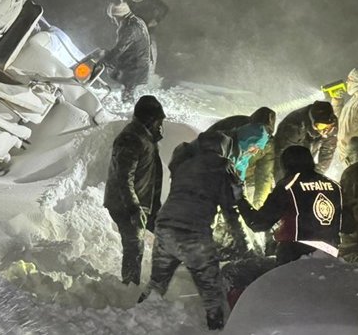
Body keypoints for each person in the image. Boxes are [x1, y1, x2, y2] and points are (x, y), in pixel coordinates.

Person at [142, 131, 247, 331]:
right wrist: (243, 243)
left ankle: (134, 316)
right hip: (193, 234)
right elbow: (230, 208)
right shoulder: (223, 166)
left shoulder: (186, 163)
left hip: (164, 228)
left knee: (157, 283)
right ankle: (216, 328)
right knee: (211, 291)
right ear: (223, 148)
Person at [239, 145, 343, 264]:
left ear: (285, 165)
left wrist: (240, 199)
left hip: (295, 255)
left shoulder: (288, 186)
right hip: (330, 256)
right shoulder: (335, 186)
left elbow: (258, 224)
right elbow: (349, 225)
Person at [103, 96, 165, 285]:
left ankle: (160, 281)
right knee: (134, 246)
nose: (160, 125)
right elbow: (123, 177)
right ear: (150, 119)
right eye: (158, 121)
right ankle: (129, 287)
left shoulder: (144, 136)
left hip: (142, 203)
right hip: (125, 204)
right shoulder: (131, 138)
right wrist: (133, 208)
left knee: (162, 237)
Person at [270, 100, 337, 183]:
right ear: (313, 121)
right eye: (321, 126)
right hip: (288, 150)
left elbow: (328, 151)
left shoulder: (331, 124)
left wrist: (317, 174)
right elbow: (283, 156)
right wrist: (284, 183)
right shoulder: (293, 125)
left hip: (309, 149)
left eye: (328, 127)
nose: (325, 131)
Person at [206, 107, 276, 184]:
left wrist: (240, 183)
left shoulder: (251, 142)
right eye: (255, 146)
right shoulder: (225, 143)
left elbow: (242, 164)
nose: (255, 152)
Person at [103, 0, 152, 104]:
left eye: (113, 18)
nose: (112, 21)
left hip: (135, 66)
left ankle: (129, 113)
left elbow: (120, 48)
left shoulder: (129, 27)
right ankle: (130, 106)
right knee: (128, 90)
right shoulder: (137, 21)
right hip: (139, 63)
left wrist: (106, 59)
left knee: (128, 94)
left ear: (118, 16)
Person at [330, 67, 358, 170]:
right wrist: (337, 101)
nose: (347, 82)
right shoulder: (355, 99)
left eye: (350, 80)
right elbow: (340, 121)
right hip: (348, 154)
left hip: (357, 157)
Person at [125, 0, 168, 73]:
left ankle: (149, 76)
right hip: (131, 33)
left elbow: (164, 9)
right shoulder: (126, 0)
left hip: (148, 32)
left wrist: (156, 20)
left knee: (150, 54)